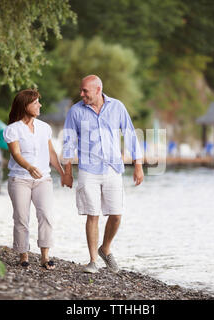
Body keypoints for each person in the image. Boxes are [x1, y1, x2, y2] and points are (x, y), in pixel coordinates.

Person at [62, 75, 144, 273]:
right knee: (93, 214)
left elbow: (130, 134)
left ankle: (105, 248)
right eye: (81, 91)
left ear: (98, 90)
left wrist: (138, 164)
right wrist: (67, 172)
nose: (81, 94)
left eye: (85, 91)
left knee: (116, 214)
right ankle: (92, 261)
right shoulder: (75, 111)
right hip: (88, 170)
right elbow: (68, 143)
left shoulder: (117, 107)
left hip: (113, 169)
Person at [3, 88, 71, 269]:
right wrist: (28, 167)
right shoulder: (12, 129)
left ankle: (45, 257)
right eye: (35, 103)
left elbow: (51, 153)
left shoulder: (44, 128)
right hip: (20, 179)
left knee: (46, 215)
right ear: (25, 106)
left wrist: (62, 173)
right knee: (21, 218)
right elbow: (16, 153)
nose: (40, 105)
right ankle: (23, 255)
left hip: (43, 180)